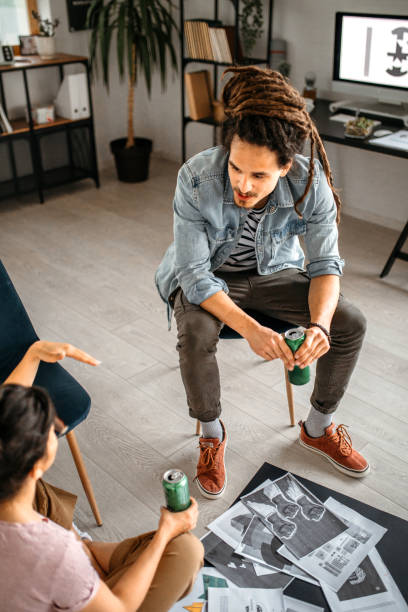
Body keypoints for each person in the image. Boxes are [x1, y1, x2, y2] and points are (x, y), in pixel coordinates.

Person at [155, 66, 369, 500]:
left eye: (259, 176)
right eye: (236, 168)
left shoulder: (310, 183)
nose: (242, 184)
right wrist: (251, 329)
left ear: (286, 166)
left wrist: (320, 328)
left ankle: (318, 427)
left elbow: (326, 264)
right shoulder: (195, 178)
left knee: (350, 321)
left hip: (275, 273)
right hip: (210, 277)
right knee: (195, 332)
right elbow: (195, 276)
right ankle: (212, 434)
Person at [0, 341, 203, 612]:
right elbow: (119, 608)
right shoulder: (50, 552)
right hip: (92, 592)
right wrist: (165, 532)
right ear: (36, 467)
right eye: (51, 429)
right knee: (187, 550)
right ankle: (91, 562)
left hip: (52, 570)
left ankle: (90, 555)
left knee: (67, 528)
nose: (56, 425)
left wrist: (34, 353)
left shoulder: (13, 479)